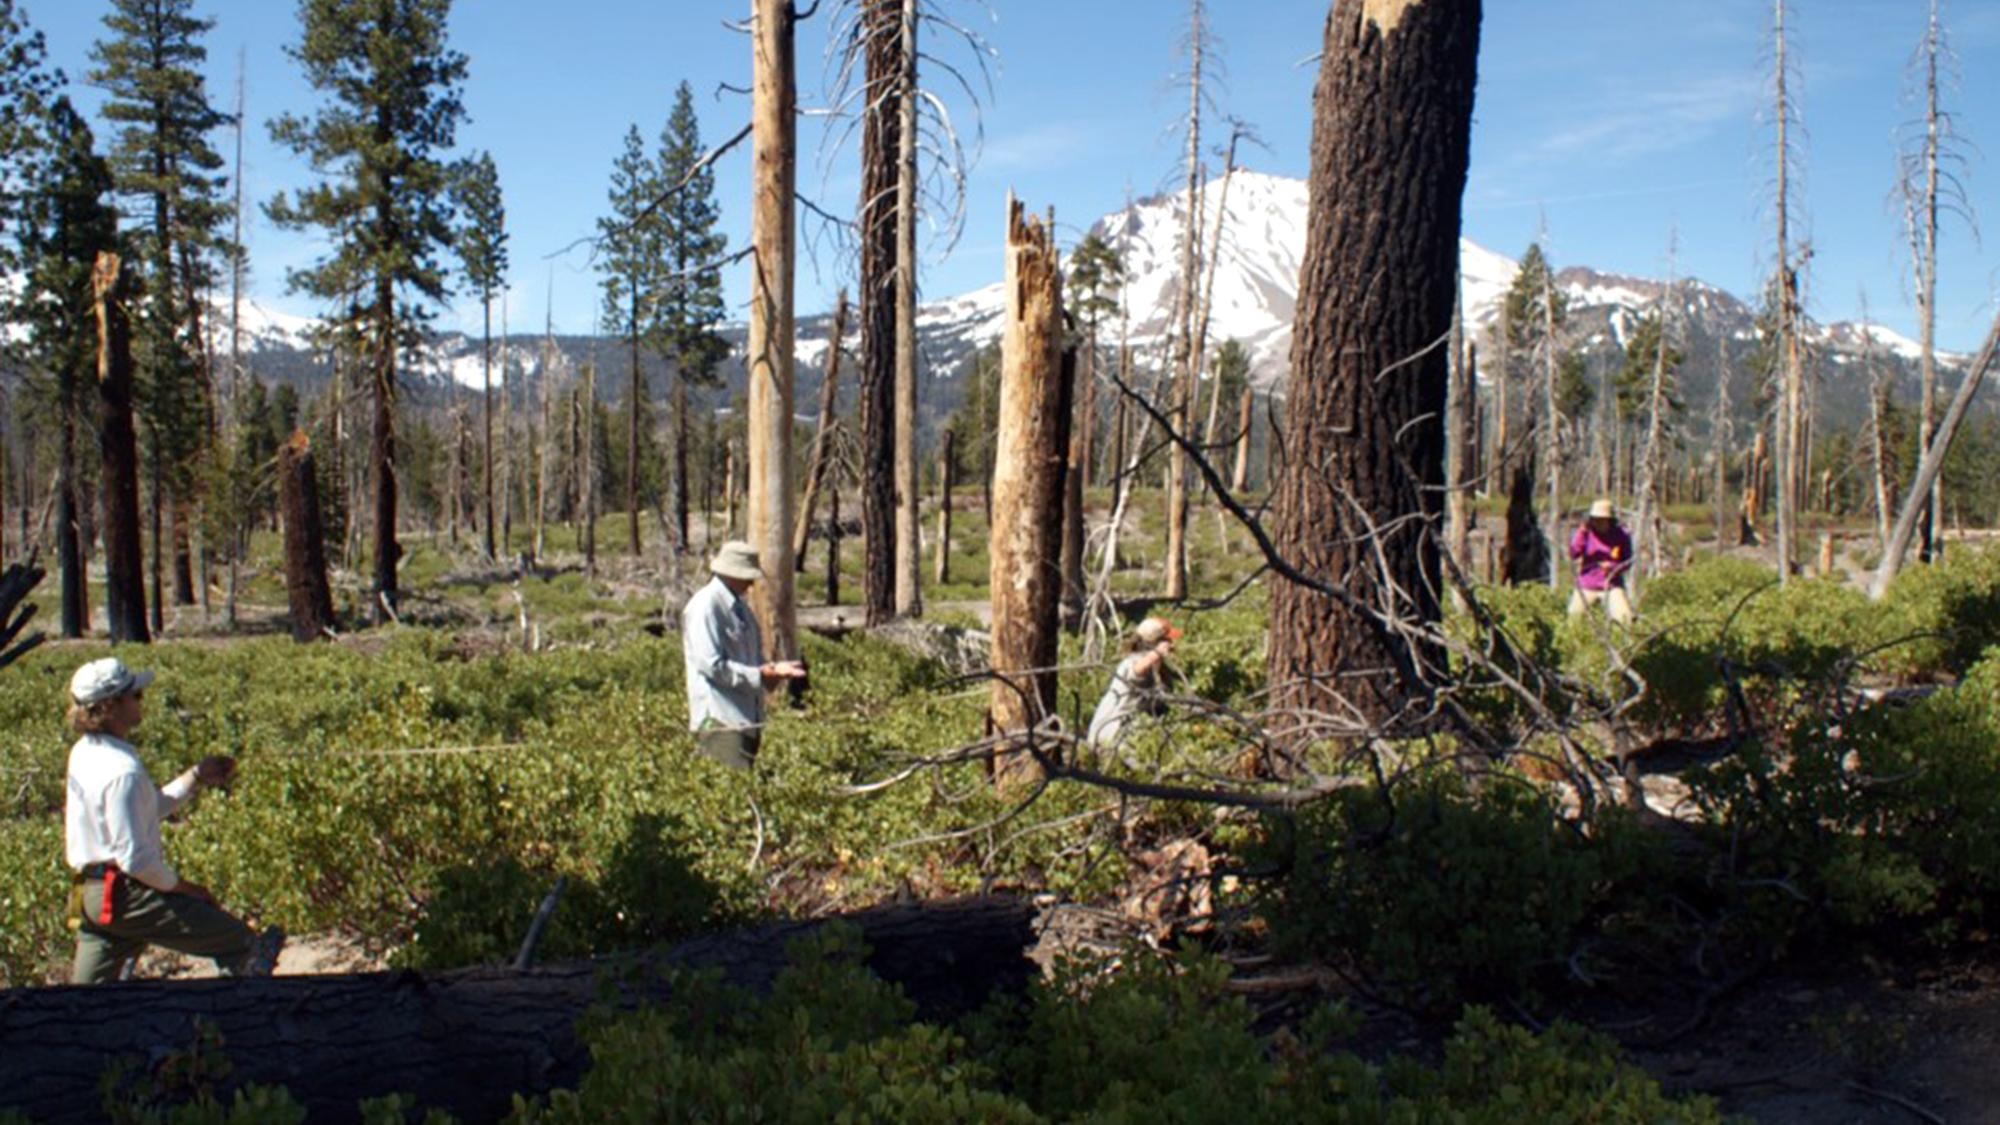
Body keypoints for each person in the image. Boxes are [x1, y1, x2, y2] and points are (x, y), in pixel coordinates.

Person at [64, 656, 284, 983]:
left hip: (93, 898)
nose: (142, 701)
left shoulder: (85, 752)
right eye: (135, 695)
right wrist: (186, 889)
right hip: (124, 897)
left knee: (81, 1004)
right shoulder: (121, 771)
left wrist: (195, 777)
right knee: (243, 945)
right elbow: (136, 861)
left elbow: (146, 809)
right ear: (111, 706)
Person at [682, 540, 807, 769]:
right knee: (731, 794)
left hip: (746, 719)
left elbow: (753, 661)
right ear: (731, 573)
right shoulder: (705, 607)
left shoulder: (741, 609)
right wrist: (761, 675)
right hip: (721, 722)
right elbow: (711, 666)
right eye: (747, 576)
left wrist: (773, 671)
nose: (751, 583)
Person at [1087, 616, 1181, 750]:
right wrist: (1157, 653)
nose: (1171, 643)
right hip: (1112, 732)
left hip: (1126, 731)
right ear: (1157, 643)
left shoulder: (1155, 666)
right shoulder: (1133, 662)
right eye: (1167, 640)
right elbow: (1136, 672)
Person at [1568, 498, 1634, 624]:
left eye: (1602, 520)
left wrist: (1613, 567)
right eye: (1595, 519)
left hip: (1612, 586)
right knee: (1574, 617)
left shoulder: (1622, 535)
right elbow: (1574, 553)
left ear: (1610, 520)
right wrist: (1582, 532)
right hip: (1587, 584)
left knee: (1625, 618)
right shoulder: (1586, 533)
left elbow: (1628, 561)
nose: (1598, 523)